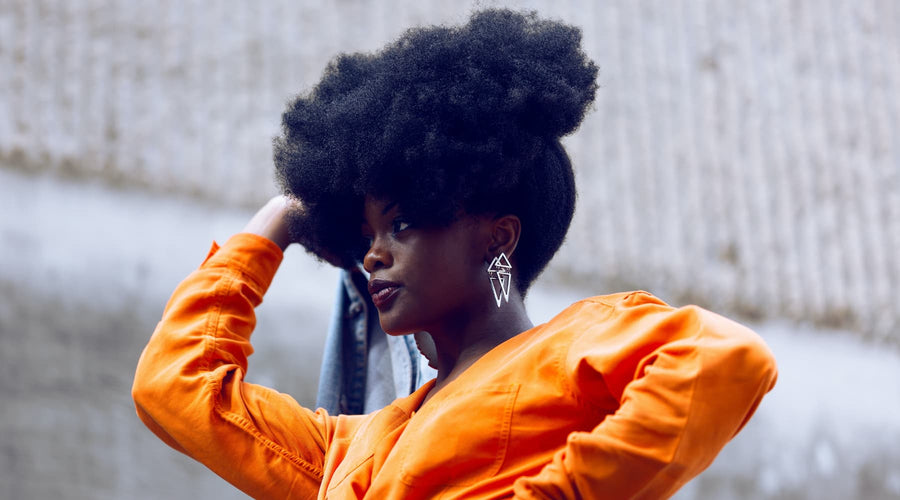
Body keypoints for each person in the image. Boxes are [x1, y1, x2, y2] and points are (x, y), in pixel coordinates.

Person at [132, 9, 777, 499]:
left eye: (402, 224)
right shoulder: (348, 448)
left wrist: (563, 492)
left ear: (497, 239)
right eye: (367, 233)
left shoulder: (569, 348)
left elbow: (726, 360)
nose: (373, 256)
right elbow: (175, 386)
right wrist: (278, 223)